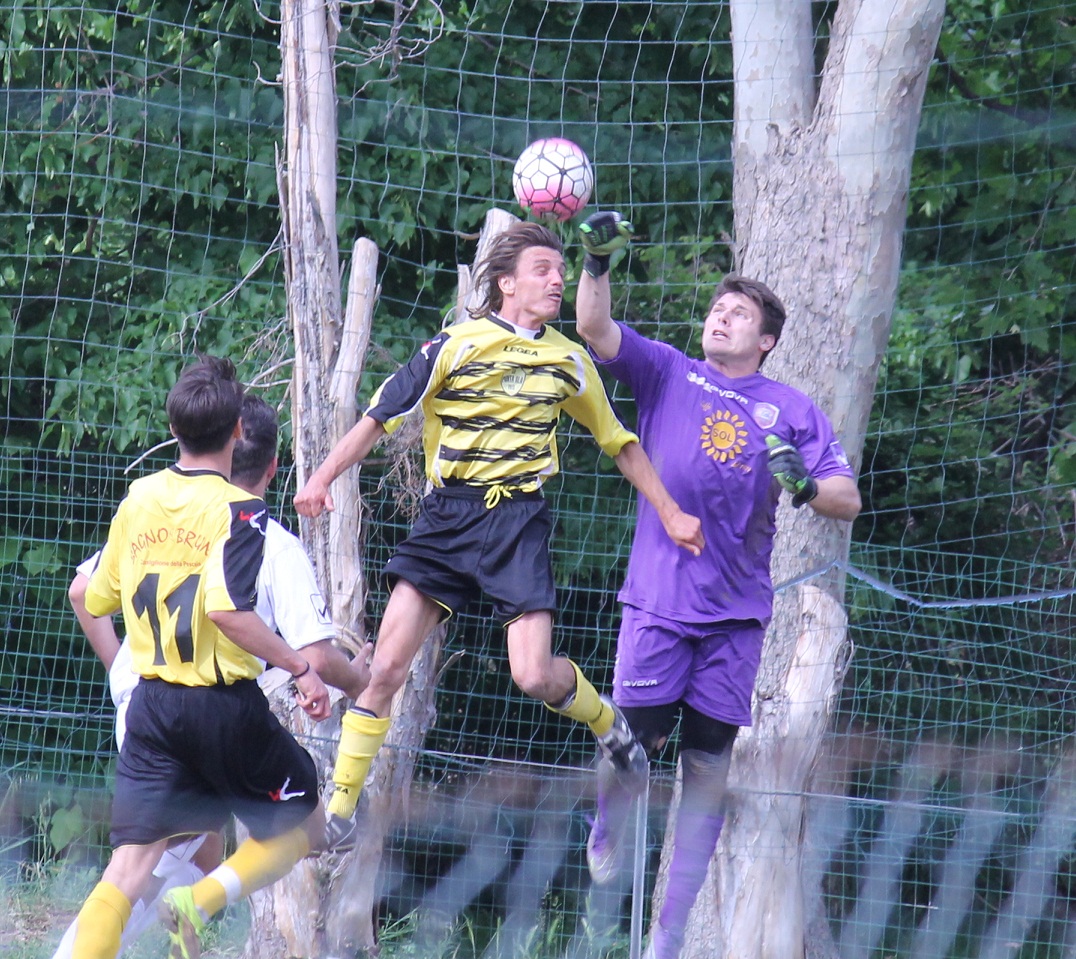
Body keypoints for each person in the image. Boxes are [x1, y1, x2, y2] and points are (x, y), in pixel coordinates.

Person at [294, 221, 705, 846]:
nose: (557, 280)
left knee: (534, 676)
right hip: (448, 518)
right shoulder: (455, 344)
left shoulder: (568, 359)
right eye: (543, 270)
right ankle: (342, 811)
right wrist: (322, 477)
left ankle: (609, 726)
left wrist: (671, 512)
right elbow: (379, 416)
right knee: (385, 668)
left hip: (517, 522)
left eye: (560, 271)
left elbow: (618, 442)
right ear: (506, 283)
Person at [574, 212, 862, 959]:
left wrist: (804, 485)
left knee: (705, 772)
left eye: (738, 313)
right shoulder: (669, 370)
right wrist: (596, 260)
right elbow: (593, 327)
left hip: (735, 620)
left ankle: (668, 937)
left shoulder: (791, 409)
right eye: (717, 308)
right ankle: (607, 825)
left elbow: (846, 498)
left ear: (765, 340)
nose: (721, 316)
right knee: (630, 747)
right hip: (659, 606)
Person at [54, 394, 371, 959]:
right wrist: (311, 671)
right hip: (219, 707)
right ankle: (195, 905)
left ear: (173, 427)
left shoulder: (144, 498)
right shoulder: (251, 521)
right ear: (252, 446)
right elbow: (239, 617)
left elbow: (89, 594)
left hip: (147, 706)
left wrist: (123, 668)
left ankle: (170, 925)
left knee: (137, 869)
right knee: (303, 830)